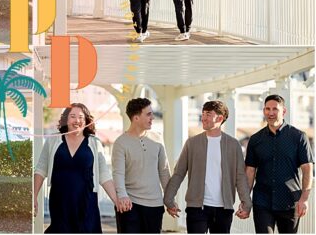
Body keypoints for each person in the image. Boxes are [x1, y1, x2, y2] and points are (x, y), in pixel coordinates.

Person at [164, 101, 251, 234]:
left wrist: (246, 203)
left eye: (208, 114)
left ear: (220, 118)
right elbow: (179, 173)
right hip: (197, 208)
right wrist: (169, 199)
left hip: (224, 208)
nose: (203, 118)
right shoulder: (192, 143)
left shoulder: (233, 145)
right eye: (203, 113)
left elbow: (240, 176)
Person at [33, 103, 120, 233]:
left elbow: (104, 175)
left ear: (86, 121)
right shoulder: (53, 140)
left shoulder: (94, 143)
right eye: (72, 116)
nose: (77, 121)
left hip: (87, 201)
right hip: (60, 201)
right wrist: (33, 196)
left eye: (81, 117)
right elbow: (40, 169)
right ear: (66, 119)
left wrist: (116, 200)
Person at [245, 94, 313, 233]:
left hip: (290, 201)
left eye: (275, 109)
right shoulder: (255, 140)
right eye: (267, 109)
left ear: (283, 111)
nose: (270, 113)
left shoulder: (298, 137)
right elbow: (250, 171)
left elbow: (307, 169)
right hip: (262, 201)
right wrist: (245, 200)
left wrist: (304, 199)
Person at [111, 98, 170, 233]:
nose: (153, 117)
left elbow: (164, 171)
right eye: (148, 114)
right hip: (130, 204)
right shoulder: (121, 143)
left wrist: (169, 199)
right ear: (136, 118)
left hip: (155, 204)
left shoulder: (157, 138)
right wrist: (123, 196)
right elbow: (118, 173)